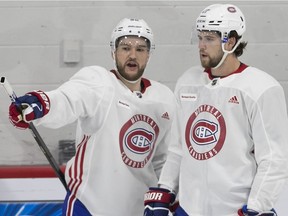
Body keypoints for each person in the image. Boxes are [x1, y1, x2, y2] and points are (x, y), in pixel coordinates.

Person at [8, 18, 177, 216]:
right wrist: (40, 104)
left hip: (139, 210)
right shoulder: (99, 81)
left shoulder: (164, 98)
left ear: (148, 55)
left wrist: (169, 195)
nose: (132, 55)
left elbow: (163, 159)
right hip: (89, 207)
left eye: (140, 49)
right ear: (113, 51)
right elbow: (69, 98)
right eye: (125, 48)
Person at [144, 4, 288, 216]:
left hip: (235, 210)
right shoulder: (188, 82)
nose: (201, 45)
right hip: (189, 209)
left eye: (209, 39)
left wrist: (257, 207)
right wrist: (165, 189)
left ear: (230, 41)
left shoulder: (261, 88)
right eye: (200, 37)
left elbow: (274, 160)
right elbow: (177, 149)